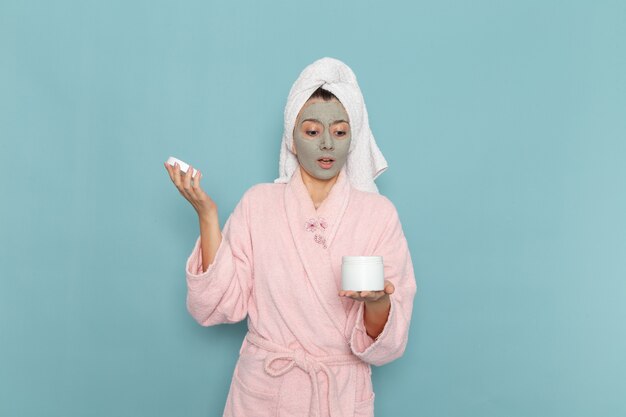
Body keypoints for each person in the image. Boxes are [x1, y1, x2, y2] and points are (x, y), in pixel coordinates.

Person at [164, 57, 416, 417]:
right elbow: (216, 306)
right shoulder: (258, 203)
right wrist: (208, 216)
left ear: (353, 139)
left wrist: (376, 302)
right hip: (264, 392)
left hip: (337, 392)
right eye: (312, 131)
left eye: (340, 132)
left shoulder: (378, 215)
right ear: (292, 140)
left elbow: (388, 344)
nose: (327, 143)